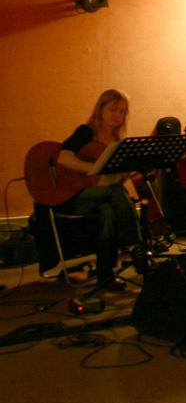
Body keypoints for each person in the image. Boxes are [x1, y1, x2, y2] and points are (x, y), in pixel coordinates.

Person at [57, 89, 141, 291]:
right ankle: (135, 246)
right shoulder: (85, 132)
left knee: (107, 211)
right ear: (100, 110)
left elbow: (115, 179)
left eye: (122, 111)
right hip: (75, 195)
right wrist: (95, 169)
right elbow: (63, 158)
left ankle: (105, 276)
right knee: (115, 192)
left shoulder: (118, 141)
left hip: (103, 197)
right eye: (113, 110)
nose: (118, 115)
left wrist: (127, 172)